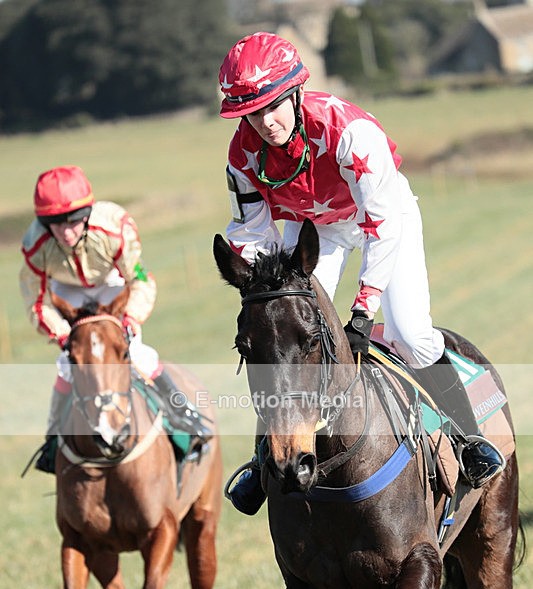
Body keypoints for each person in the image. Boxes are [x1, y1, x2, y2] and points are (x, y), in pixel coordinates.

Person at [218, 31, 505, 514]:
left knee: (410, 333)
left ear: (296, 93)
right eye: (252, 114)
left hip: (384, 218)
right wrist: (260, 284)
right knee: (280, 334)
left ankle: (468, 439)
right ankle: (264, 456)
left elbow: (381, 224)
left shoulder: (348, 130)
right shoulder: (242, 154)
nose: (265, 123)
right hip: (316, 229)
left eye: (273, 107)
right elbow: (250, 230)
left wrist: (362, 311)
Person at [20, 164, 211, 472]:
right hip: (67, 292)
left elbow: (140, 280)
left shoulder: (114, 227)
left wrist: (131, 320)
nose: (66, 232)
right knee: (67, 366)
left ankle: (184, 417)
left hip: (112, 284)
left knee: (138, 354)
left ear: (87, 214)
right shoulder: (35, 244)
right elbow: (36, 301)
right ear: (45, 223)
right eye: (56, 224)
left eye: (73, 221)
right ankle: (53, 437)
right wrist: (63, 335)